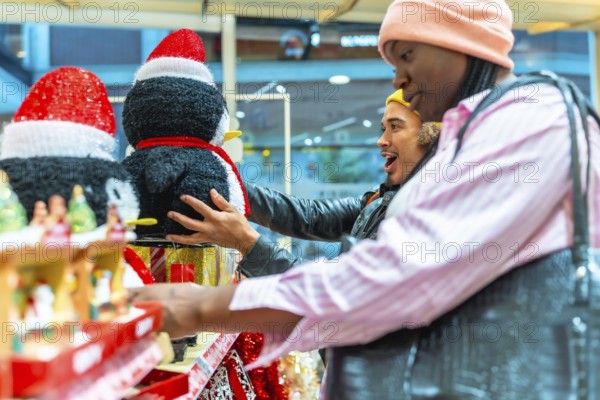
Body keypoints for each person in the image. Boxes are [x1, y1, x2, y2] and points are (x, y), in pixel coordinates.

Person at [129, 1, 600, 398]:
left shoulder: (532, 120)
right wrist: (225, 180)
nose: (399, 80)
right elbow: (311, 218)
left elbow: (392, 277)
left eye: (407, 54)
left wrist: (197, 306)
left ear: (464, 44)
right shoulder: (435, 164)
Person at [190, 90, 440, 279]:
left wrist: (247, 243)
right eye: (383, 128)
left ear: (432, 135)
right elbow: (309, 216)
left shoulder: (425, 218)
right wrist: (227, 186)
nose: (381, 141)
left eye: (395, 127)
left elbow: (339, 292)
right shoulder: (382, 199)